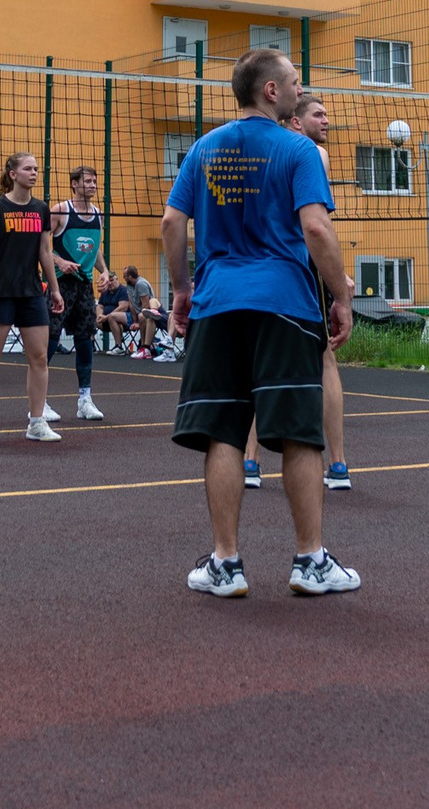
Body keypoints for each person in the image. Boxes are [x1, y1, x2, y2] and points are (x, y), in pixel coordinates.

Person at [162, 48, 360, 598]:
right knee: (299, 434)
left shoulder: (204, 147)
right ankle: (310, 562)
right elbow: (316, 228)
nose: (299, 89)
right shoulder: (299, 149)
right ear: (271, 91)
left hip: (218, 303)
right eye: (293, 81)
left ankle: (225, 563)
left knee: (223, 432)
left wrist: (181, 289)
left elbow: (172, 221)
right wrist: (340, 295)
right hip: (285, 304)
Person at [246, 96, 354, 491]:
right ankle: (337, 465)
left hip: (261, 266)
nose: (326, 120)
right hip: (299, 267)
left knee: (258, 362)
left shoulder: (261, 151)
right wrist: (338, 279)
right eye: (318, 114)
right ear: (295, 121)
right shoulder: (311, 153)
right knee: (323, 360)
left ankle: (250, 462)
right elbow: (317, 225)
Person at [0, 153, 68, 443]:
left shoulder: (41, 208)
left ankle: (36, 422)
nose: (34, 173)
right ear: (13, 174)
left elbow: (45, 251)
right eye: (27, 168)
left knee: (39, 358)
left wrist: (55, 289)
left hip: (31, 292)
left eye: (36, 169)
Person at [48, 166, 108, 420]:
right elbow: (40, 245)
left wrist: (105, 271)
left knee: (85, 339)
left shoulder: (98, 214)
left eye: (95, 181)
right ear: (74, 184)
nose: (93, 185)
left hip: (84, 285)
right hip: (60, 284)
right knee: (50, 339)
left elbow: (95, 248)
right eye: (87, 181)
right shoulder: (61, 211)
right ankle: (39, 401)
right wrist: (59, 261)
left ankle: (85, 399)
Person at [120, 265, 157, 356]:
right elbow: (131, 304)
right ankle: (121, 347)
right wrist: (134, 321)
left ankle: (144, 347)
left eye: (124, 276)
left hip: (150, 313)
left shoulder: (141, 284)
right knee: (114, 317)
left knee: (141, 316)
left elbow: (146, 305)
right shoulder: (129, 285)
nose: (124, 278)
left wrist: (139, 322)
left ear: (129, 277)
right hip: (138, 314)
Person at [96, 274, 131, 351]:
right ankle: (91, 345)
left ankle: (118, 346)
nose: (110, 283)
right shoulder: (105, 292)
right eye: (108, 281)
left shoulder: (123, 290)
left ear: (117, 280)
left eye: (112, 280)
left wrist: (106, 317)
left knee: (113, 317)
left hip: (121, 321)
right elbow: (100, 306)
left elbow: (123, 307)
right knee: (90, 316)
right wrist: (99, 315)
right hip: (104, 321)